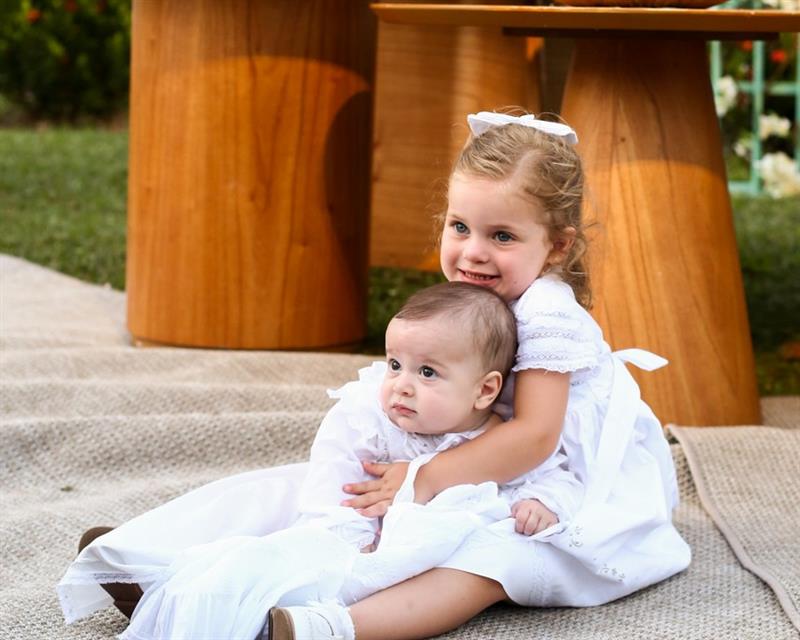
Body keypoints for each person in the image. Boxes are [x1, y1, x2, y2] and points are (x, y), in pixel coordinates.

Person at [268, 110, 691, 639]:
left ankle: (336, 626)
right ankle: (276, 572)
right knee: (342, 496)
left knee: (490, 559)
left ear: (557, 246)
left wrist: (424, 477)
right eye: (460, 227)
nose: (473, 252)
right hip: (480, 450)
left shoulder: (548, 314)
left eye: (502, 236)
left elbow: (536, 436)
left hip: (559, 479)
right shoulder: (476, 297)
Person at [58, 281, 581, 640]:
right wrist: (341, 531)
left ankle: (291, 621)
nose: (401, 385)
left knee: (348, 578)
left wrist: (542, 505)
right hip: (341, 525)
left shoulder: (496, 440)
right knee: (261, 511)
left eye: (427, 373)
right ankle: (150, 560)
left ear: (485, 390)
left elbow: (548, 475)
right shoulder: (371, 418)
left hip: (410, 552)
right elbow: (332, 475)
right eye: (395, 364)